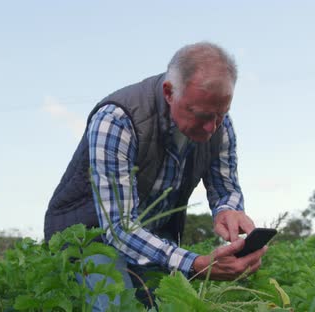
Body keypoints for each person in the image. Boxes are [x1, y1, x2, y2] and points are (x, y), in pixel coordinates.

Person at [44, 41, 267, 309]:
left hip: (152, 240)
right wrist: (195, 264)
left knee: (167, 304)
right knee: (117, 306)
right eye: (201, 115)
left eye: (221, 114)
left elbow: (226, 188)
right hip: (91, 239)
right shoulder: (117, 120)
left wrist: (228, 211)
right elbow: (119, 228)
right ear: (169, 92)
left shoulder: (219, 124)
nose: (211, 127)